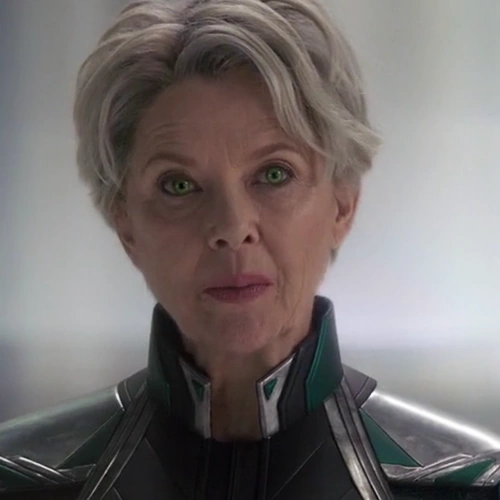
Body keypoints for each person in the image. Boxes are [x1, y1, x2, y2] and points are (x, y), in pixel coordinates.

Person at [0, 0, 499, 498]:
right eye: (178, 185)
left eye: (274, 174)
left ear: (342, 204)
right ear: (125, 224)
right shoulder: (20, 479)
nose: (232, 227)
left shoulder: (470, 484)